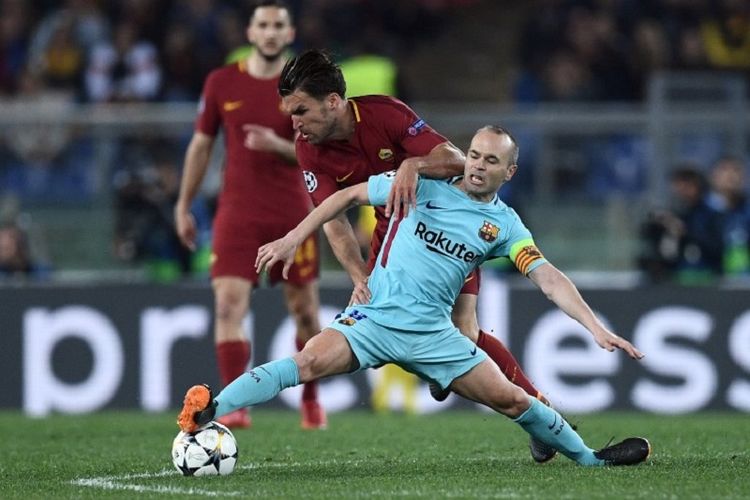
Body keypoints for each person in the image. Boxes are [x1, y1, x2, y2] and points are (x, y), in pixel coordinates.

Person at [177, 126, 651, 467]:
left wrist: (595, 327)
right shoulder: (425, 185)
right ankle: (210, 410)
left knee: (511, 400)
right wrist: (293, 238)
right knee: (304, 363)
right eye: (474, 155)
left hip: (433, 336)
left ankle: (591, 460)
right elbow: (344, 198)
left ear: (511, 170)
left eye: (491, 160)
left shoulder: (506, 226)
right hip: (374, 320)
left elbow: (548, 278)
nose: (478, 165)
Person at [277, 49, 557, 461]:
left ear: (332, 101)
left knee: (467, 332)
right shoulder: (309, 149)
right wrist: (359, 277)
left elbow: (457, 162)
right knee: (420, 330)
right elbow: (333, 220)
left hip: (448, 227)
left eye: (300, 110)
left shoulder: (386, 114)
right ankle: (449, 372)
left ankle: (540, 413)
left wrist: (414, 166)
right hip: (394, 239)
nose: (294, 124)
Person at [174, 0, 325, 430]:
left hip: (292, 215)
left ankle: (311, 400)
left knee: (305, 313)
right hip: (237, 214)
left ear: (290, 34)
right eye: (264, 24)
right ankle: (236, 403)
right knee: (227, 308)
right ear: (251, 32)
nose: (272, 32)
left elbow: (319, 151)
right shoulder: (222, 82)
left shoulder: (301, 88)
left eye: (279, 25)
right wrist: (183, 204)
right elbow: (201, 145)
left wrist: (278, 147)